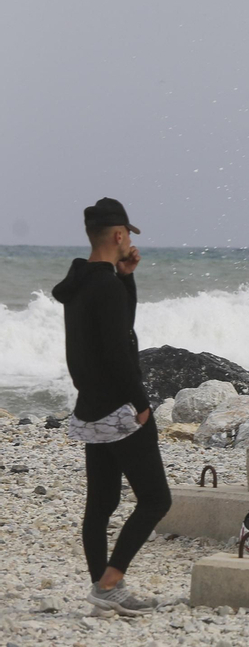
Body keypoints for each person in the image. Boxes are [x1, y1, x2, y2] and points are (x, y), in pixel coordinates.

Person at [51, 198, 171, 615]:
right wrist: (141, 404)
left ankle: (101, 589)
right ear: (120, 235)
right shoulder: (103, 287)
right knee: (156, 500)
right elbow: (121, 349)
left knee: (100, 505)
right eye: (128, 237)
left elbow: (115, 331)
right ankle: (110, 582)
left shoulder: (83, 282)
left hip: (90, 408)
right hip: (120, 409)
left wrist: (128, 279)